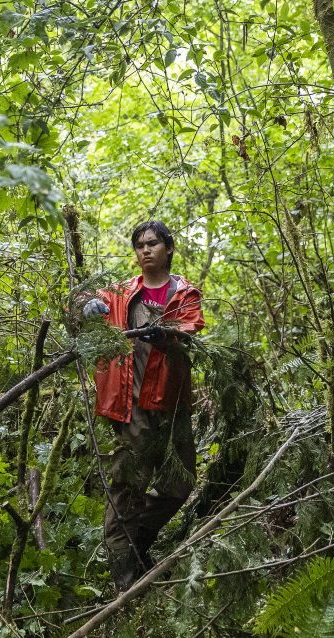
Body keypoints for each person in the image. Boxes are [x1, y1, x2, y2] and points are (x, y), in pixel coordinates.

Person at [82, 221, 205, 591]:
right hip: (128, 405)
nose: (145, 250)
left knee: (179, 485)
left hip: (170, 406)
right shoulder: (121, 293)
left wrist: (165, 334)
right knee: (125, 490)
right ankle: (125, 579)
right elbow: (75, 308)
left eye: (153, 243)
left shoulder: (184, 294)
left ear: (169, 248)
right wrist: (84, 306)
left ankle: (136, 545)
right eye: (139, 245)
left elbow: (190, 327)